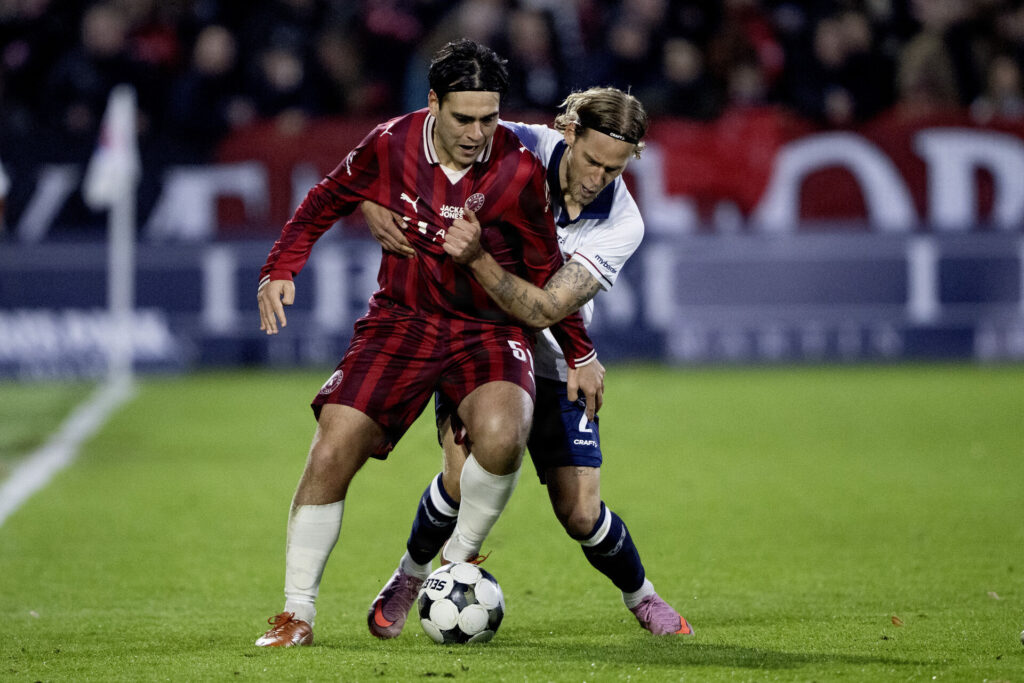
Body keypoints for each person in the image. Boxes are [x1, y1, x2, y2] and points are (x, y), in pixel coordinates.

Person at [253, 39, 601, 647]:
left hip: (486, 328)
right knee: (333, 447)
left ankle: (457, 565)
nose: (476, 133)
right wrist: (280, 268)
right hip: (401, 321)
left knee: (504, 431)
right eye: (463, 118)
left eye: (489, 119)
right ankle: (296, 613)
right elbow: (321, 202)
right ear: (433, 102)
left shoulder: (518, 170)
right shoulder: (390, 142)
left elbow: (548, 271)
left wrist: (580, 350)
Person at [361, 87, 693, 637]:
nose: (596, 178)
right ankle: (410, 575)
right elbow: (415, 137)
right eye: (591, 160)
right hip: (479, 342)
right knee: (460, 478)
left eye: (613, 170)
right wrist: (372, 196)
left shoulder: (623, 222)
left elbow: (547, 309)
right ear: (569, 132)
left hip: (559, 363)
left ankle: (643, 598)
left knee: (582, 513)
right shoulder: (515, 146)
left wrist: (479, 261)